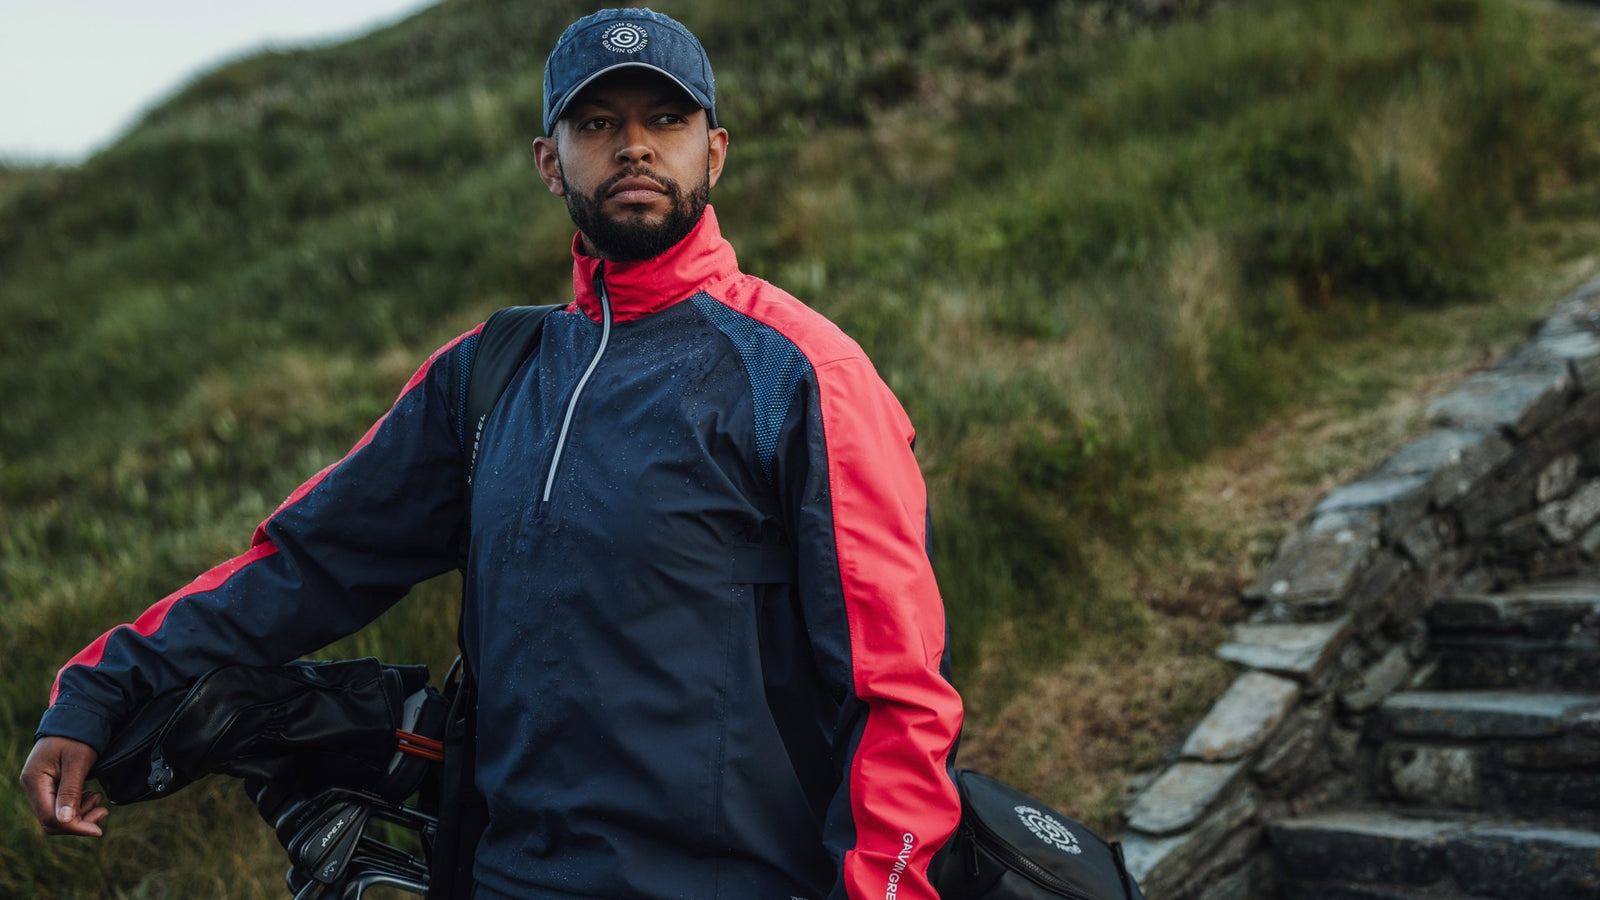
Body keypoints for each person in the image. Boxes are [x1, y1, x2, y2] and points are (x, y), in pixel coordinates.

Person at [19, 8, 964, 899]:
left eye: (666, 118)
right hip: (504, 875)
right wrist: (99, 693)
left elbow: (897, 696)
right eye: (597, 123)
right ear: (551, 163)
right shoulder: (489, 374)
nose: (633, 145)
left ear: (712, 152)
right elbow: (306, 565)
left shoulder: (802, 375)